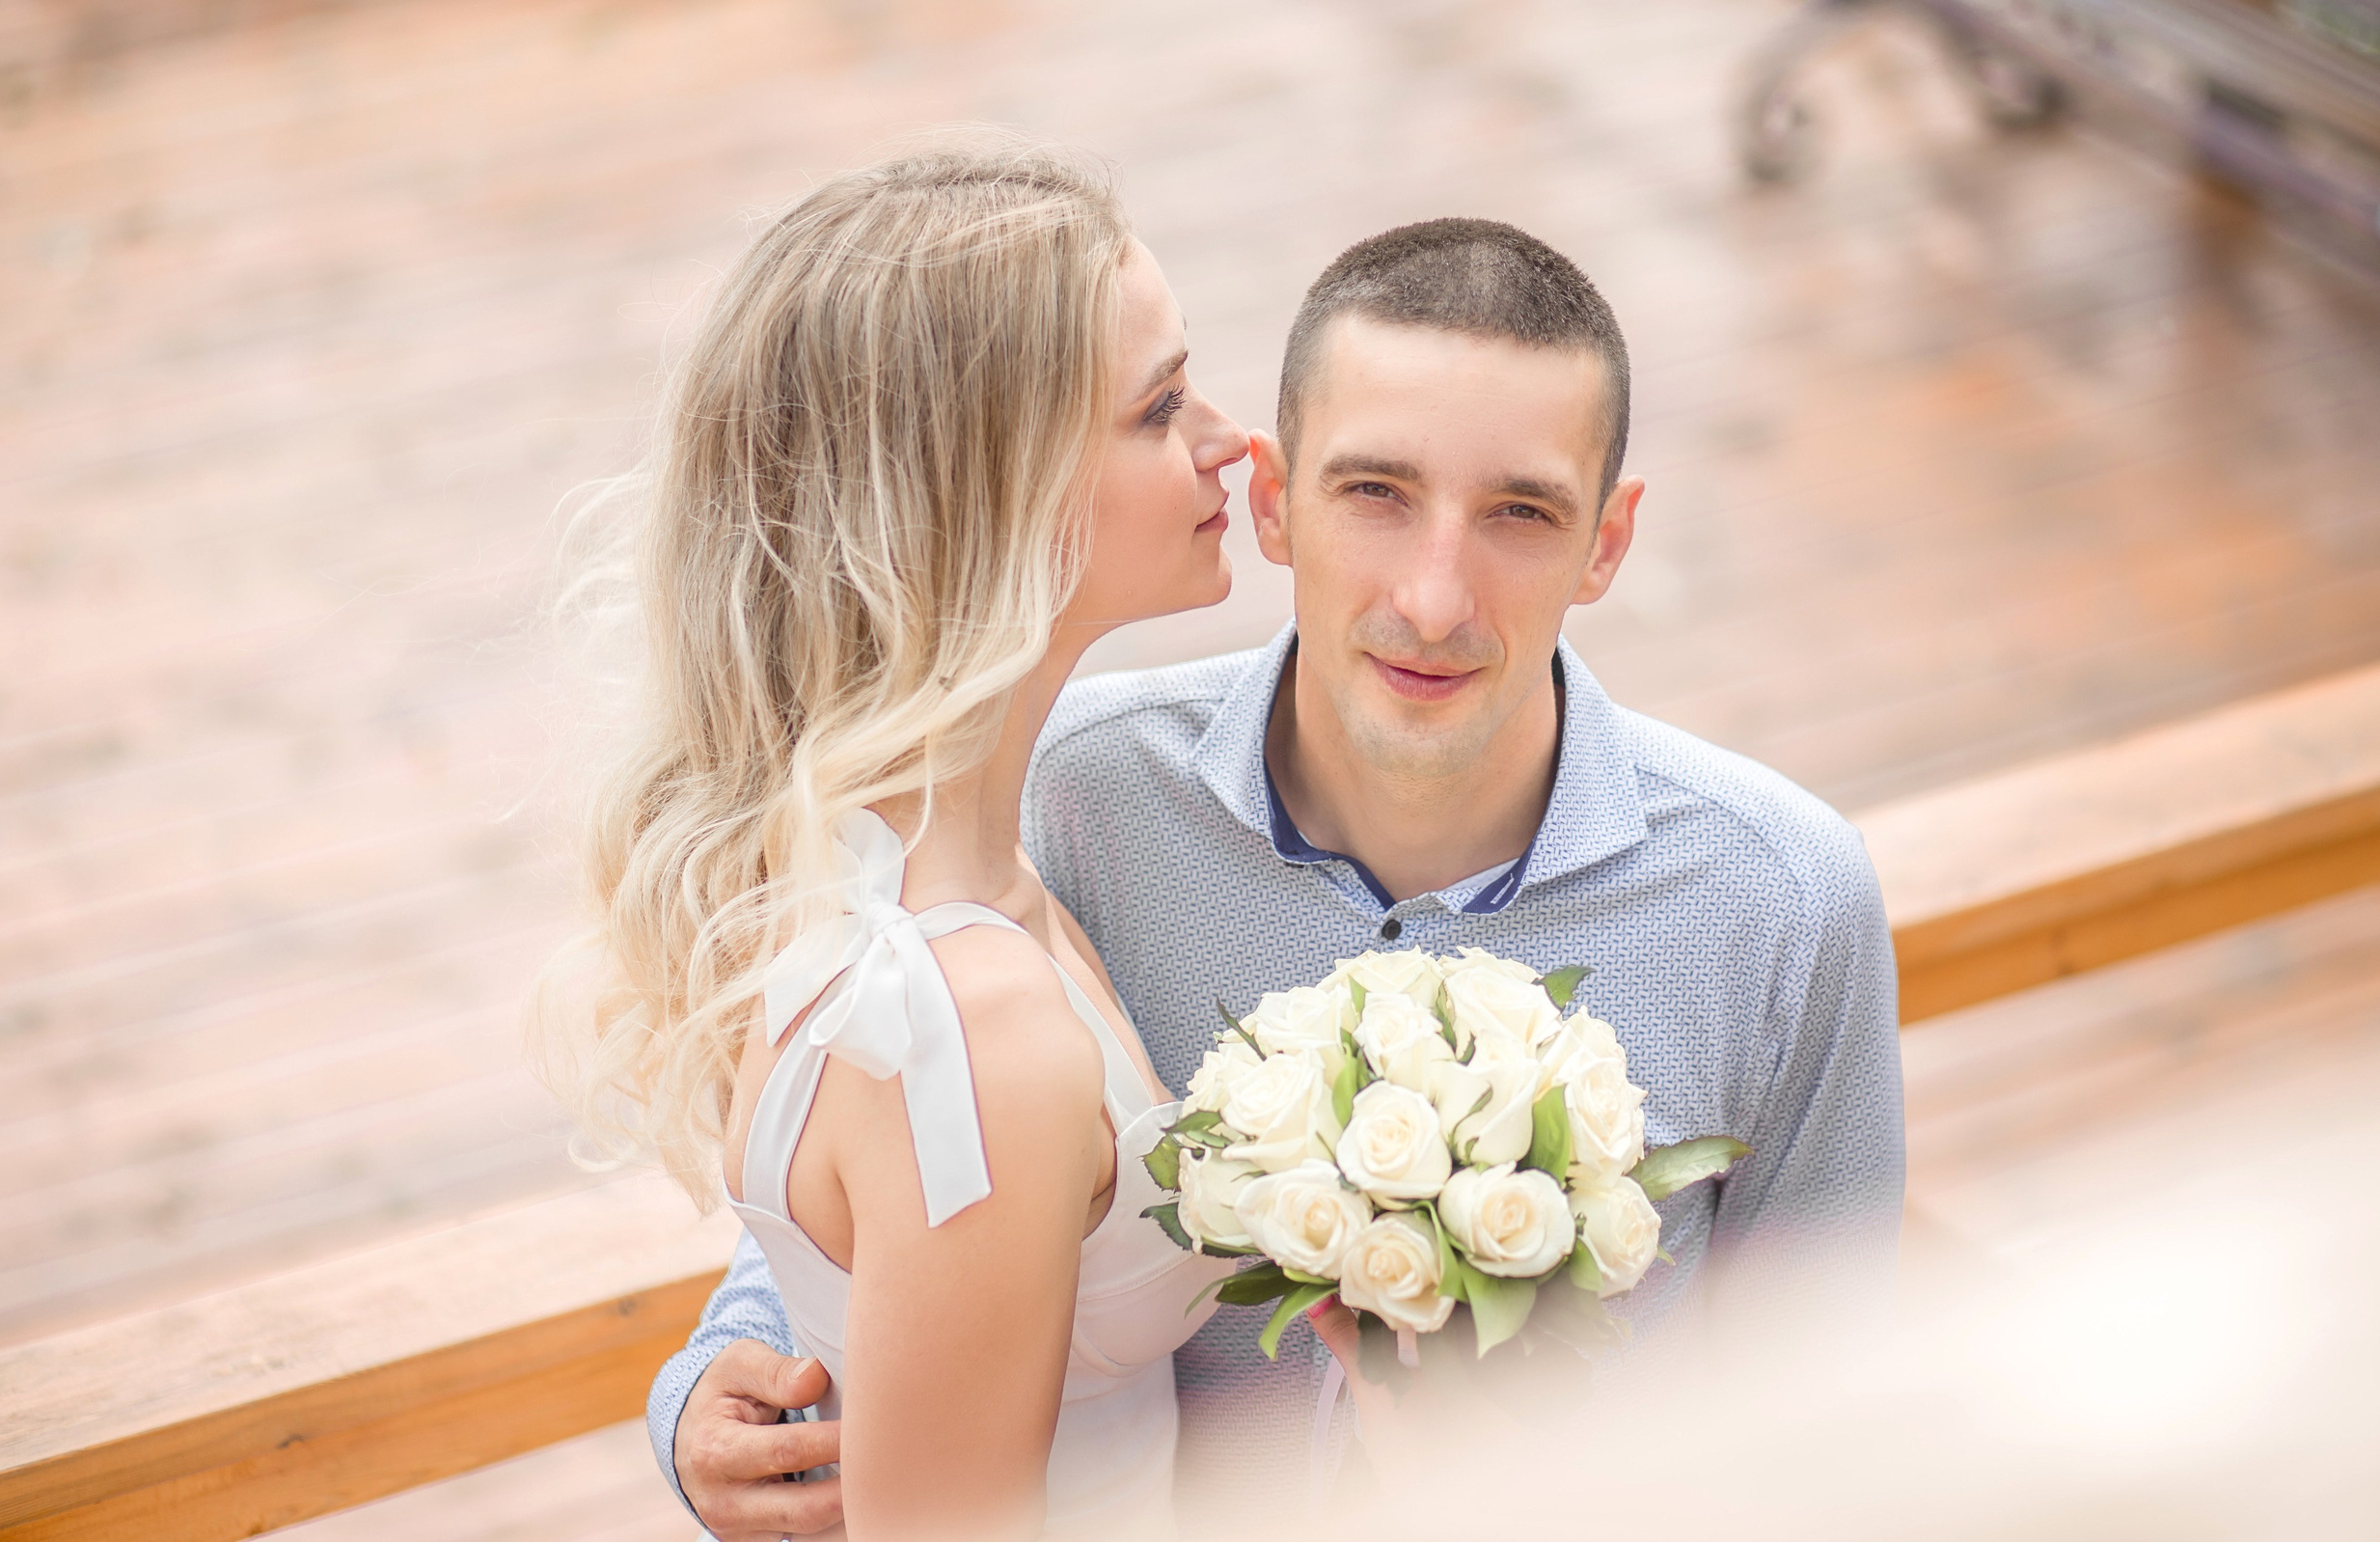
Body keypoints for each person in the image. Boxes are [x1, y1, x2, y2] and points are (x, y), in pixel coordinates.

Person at [650, 215, 1908, 1539]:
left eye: (1521, 515)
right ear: (1269, 499)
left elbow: (1833, 1435)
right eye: (1374, 493)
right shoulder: (1070, 796)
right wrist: (709, 1381)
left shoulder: (1783, 899)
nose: (1433, 599)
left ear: (1607, 540)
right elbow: (909, 1153)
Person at [547, 137, 1254, 1540]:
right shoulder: (966, 1031)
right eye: (1162, 405)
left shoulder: (889, 858)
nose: (1230, 438)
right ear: (992, 491)